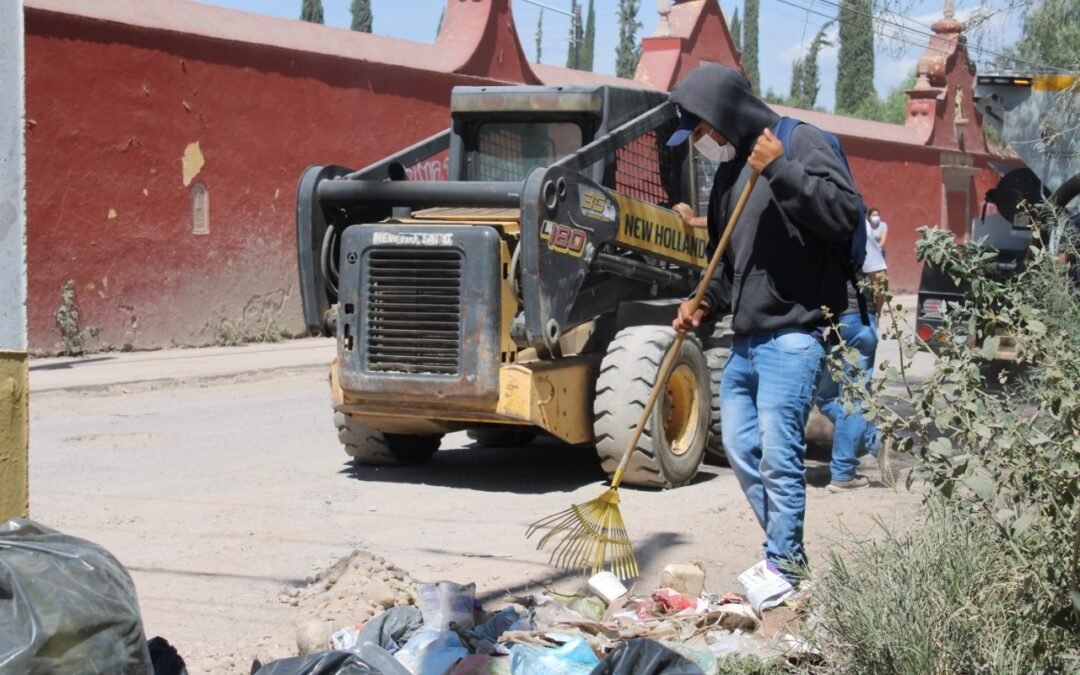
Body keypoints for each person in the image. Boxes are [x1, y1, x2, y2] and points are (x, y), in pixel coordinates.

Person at [668, 63, 861, 582]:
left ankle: (782, 565)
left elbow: (844, 214)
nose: (703, 142)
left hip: (792, 336)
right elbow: (731, 268)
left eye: (704, 129)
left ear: (725, 114)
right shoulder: (730, 175)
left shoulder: (801, 143)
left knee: (779, 459)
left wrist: (780, 169)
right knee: (741, 449)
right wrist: (703, 303)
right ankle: (786, 557)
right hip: (746, 342)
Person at [815, 220, 894, 491]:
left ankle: (843, 473)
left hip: (851, 320)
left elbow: (879, 275)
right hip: (840, 324)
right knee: (829, 397)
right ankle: (874, 437)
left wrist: (875, 312)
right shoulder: (825, 227)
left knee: (851, 399)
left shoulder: (854, 226)